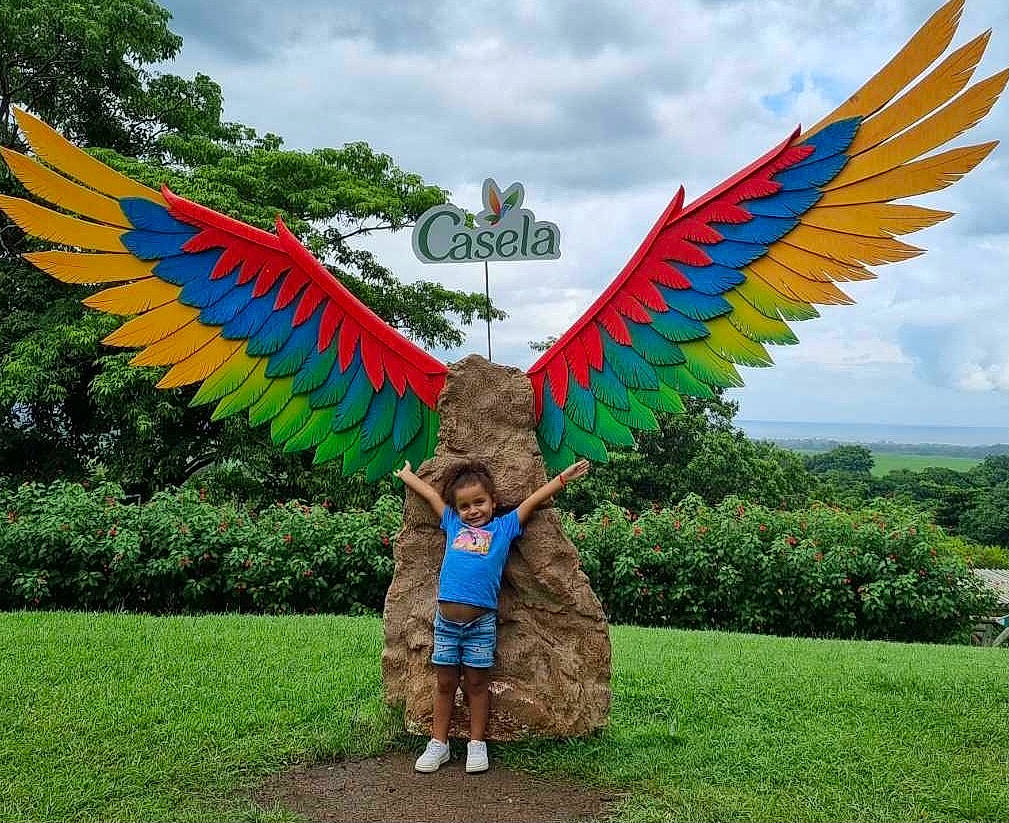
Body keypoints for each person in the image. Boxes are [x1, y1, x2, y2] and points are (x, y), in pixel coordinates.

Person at [394, 457, 590, 774]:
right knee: (444, 683)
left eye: (479, 502)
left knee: (476, 684)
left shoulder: (504, 527)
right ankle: (438, 744)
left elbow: (533, 500)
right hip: (445, 624)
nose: (473, 510)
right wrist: (408, 476)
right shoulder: (453, 525)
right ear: (456, 510)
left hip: (480, 625)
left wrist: (562, 479)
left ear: (493, 502)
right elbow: (431, 496)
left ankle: (476, 744)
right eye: (465, 506)